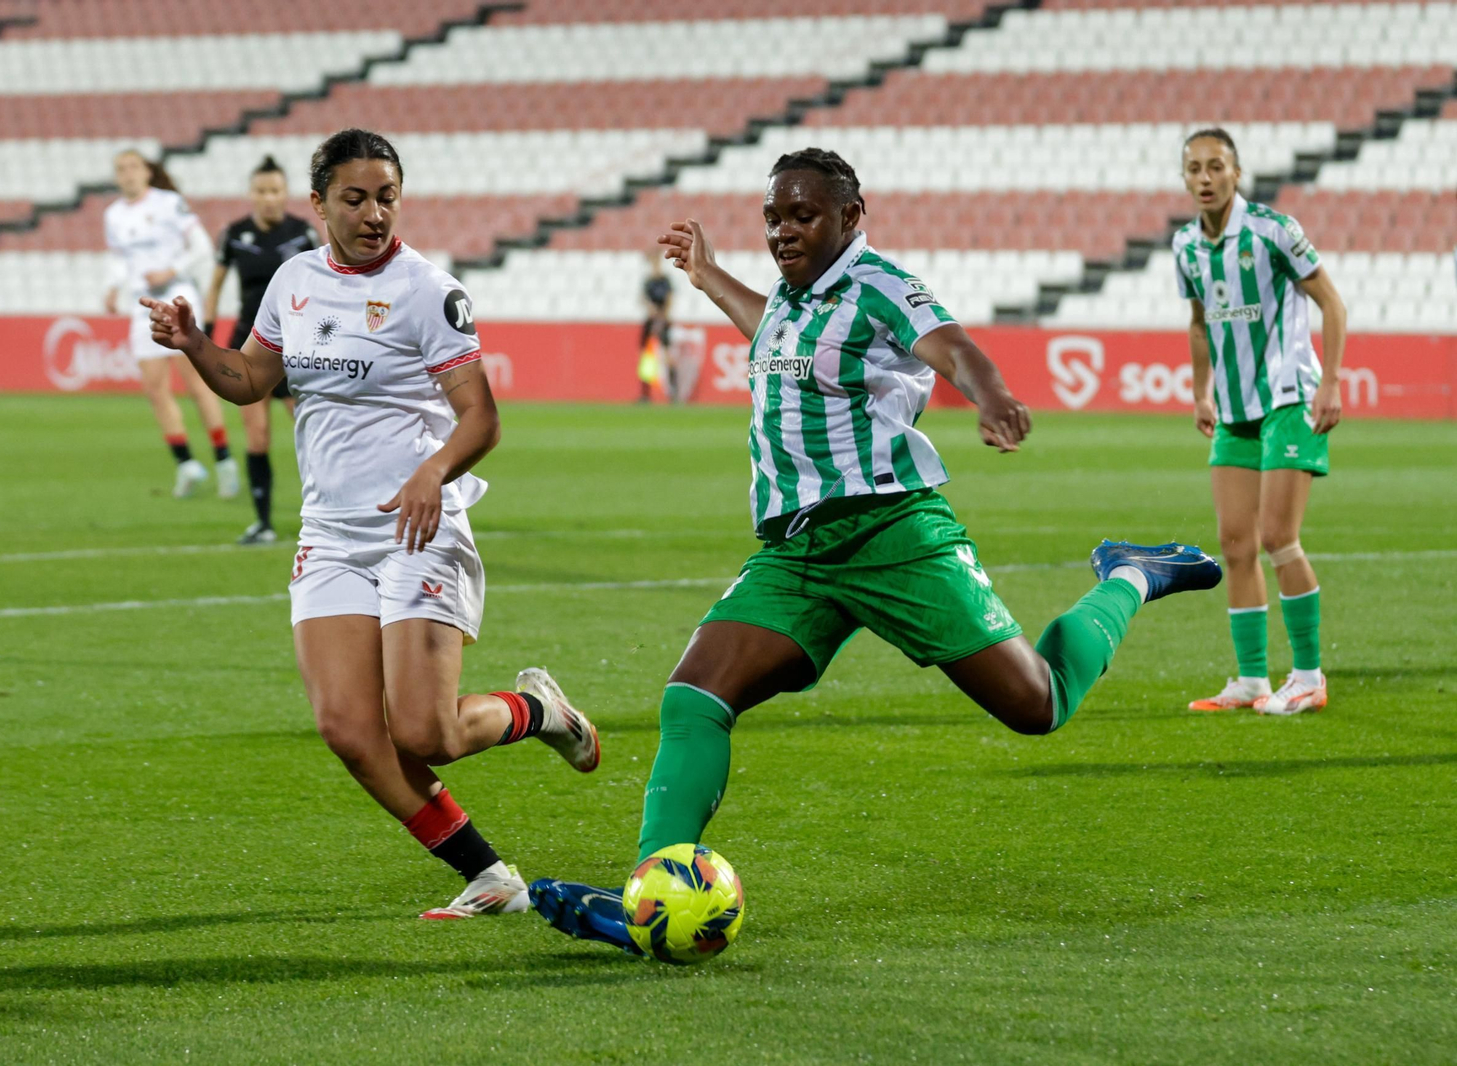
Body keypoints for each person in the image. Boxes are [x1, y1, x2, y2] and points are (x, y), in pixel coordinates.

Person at [529, 147, 1223, 952]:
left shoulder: (881, 286)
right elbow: (776, 336)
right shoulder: (793, 298)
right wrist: (710, 275)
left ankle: (1132, 576)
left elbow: (951, 345)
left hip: (892, 534)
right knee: (694, 697)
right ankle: (655, 894)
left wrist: (990, 393)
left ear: (852, 217)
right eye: (774, 217)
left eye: (803, 215)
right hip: (796, 554)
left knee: (1037, 704)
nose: (784, 231)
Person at [140, 129, 600, 918]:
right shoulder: (293, 281)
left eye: (386, 196)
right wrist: (191, 344)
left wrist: (431, 473)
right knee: (350, 730)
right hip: (330, 532)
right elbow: (251, 381)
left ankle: (541, 712)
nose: (373, 213)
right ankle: (489, 876)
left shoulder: (429, 290)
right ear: (318, 205)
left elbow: (481, 418)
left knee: (428, 734)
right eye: (354, 198)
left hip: (418, 527)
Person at [1176, 128, 1345, 716]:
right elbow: (1199, 323)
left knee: (1278, 538)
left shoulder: (1274, 230)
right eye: (1193, 168)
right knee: (1235, 544)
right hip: (1235, 409)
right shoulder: (1185, 248)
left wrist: (1330, 382)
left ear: (1236, 172)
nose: (1204, 177)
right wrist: (1202, 393)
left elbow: (1331, 302)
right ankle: (1251, 679)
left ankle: (1307, 676)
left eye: (1215, 166)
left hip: (1289, 399)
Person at [104, 149, 237, 499]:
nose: (127, 173)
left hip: (177, 297)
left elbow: (201, 247)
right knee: (154, 387)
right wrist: (113, 287)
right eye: (121, 168)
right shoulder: (113, 215)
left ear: (147, 172)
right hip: (141, 303)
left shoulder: (169, 203)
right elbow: (120, 259)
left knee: (196, 383)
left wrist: (171, 271)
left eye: (133, 166)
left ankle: (224, 460)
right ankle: (186, 464)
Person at [205, 155, 321, 544]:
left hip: (297, 349)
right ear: (251, 194)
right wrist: (206, 331)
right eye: (261, 191)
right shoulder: (234, 234)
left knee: (315, 433)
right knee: (257, 438)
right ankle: (263, 522)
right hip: (248, 347)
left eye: (275, 190)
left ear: (285, 193)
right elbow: (216, 284)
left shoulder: (304, 233)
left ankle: (328, 516)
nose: (268, 198)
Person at [637, 250, 672, 403]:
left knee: (666, 355)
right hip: (651, 319)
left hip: (663, 319)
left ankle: (672, 392)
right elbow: (643, 299)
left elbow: (670, 299)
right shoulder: (648, 281)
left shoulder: (665, 281)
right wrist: (651, 310)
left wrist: (663, 315)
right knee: (647, 357)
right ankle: (646, 394)